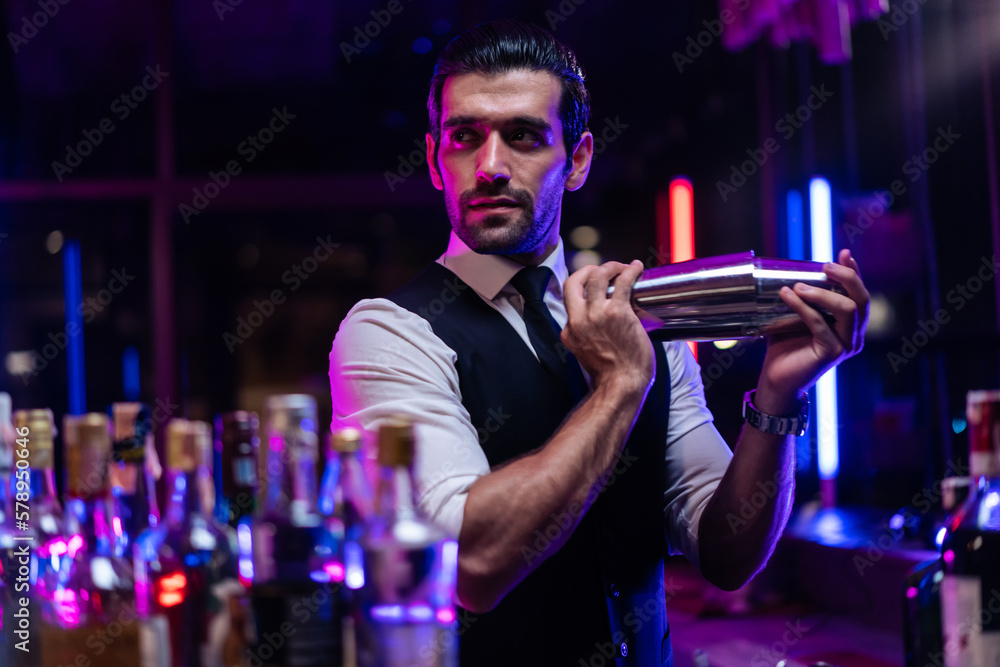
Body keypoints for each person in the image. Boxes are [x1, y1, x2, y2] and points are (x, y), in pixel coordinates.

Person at [329, 19, 869, 666]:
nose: (491, 166)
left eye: (524, 136)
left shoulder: (641, 319)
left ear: (578, 159)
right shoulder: (389, 332)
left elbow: (725, 553)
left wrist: (779, 394)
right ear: (435, 160)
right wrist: (617, 386)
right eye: (465, 137)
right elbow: (470, 565)